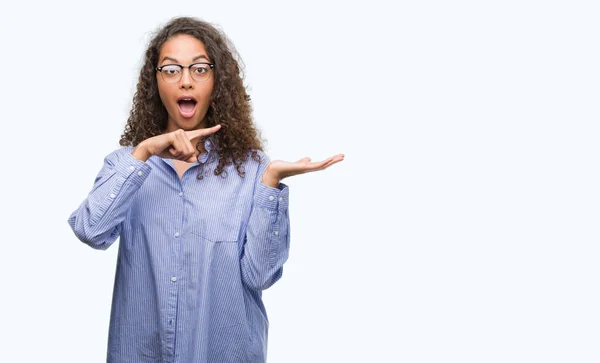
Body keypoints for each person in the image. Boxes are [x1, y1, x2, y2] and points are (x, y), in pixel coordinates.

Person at [67, 16, 344, 363]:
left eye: (199, 69)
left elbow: (261, 276)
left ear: (216, 81)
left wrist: (271, 182)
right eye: (171, 69)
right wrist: (144, 152)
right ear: (155, 81)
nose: (185, 81)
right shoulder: (127, 163)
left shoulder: (252, 169)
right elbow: (91, 231)